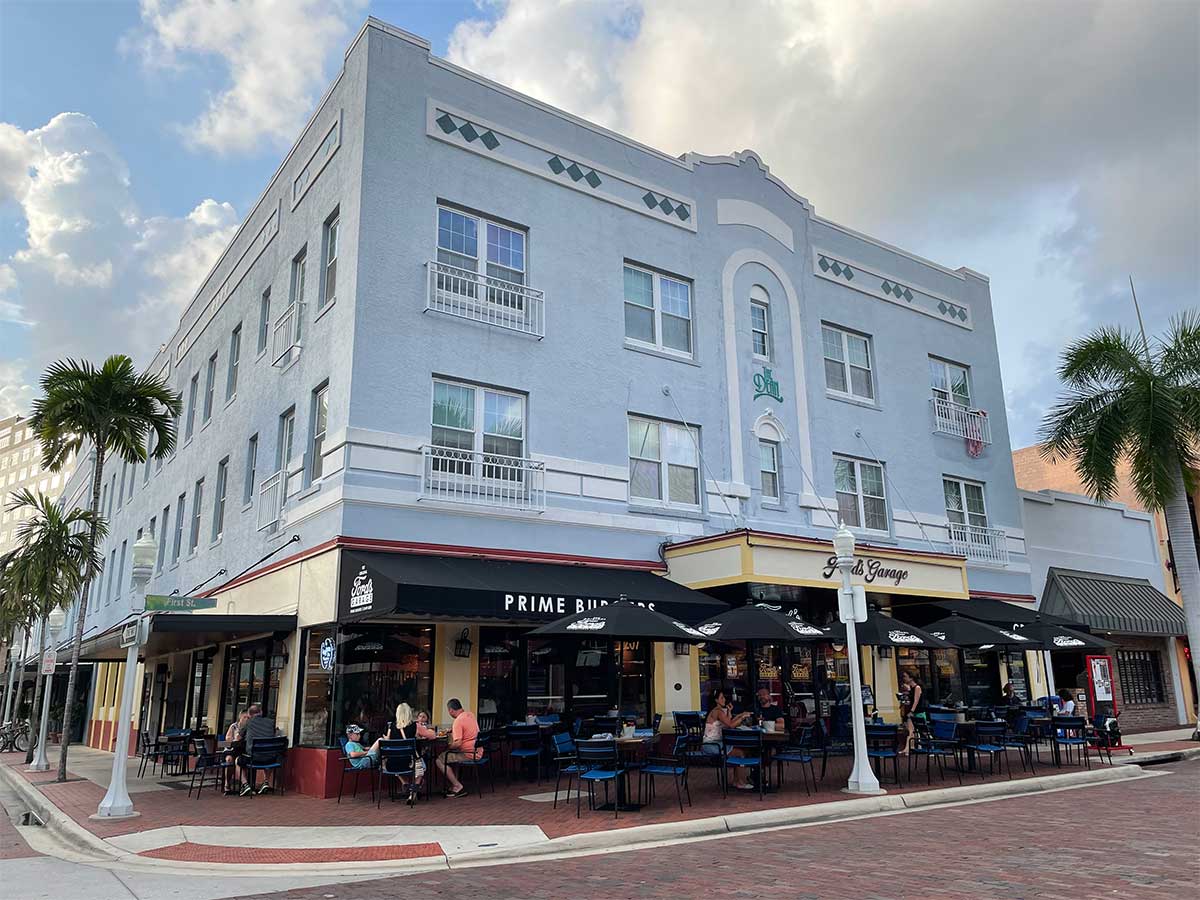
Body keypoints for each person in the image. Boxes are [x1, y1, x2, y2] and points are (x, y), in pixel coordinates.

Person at [704, 689, 754, 790]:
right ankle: (740, 782)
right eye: (722, 698)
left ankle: (737, 781)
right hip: (713, 745)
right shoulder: (717, 711)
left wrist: (737, 714)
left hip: (717, 743)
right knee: (740, 753)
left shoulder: (718, 711)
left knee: (740, 751)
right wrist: (742, 717)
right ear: (716, 700)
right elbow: (731, 725)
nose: (724, 699)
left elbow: (728, 721)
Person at [435, 698, 480, 798]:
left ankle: (457, 785)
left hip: (468, 753)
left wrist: (449, 746)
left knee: (440, 759)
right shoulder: (470, 715)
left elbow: (458, 743)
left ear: (451, 710)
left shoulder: (458, 721)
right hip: (477, 750)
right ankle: (455, 784)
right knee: (453, 756)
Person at [237, 703, 280, 796]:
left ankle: (245, 785)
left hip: (253, 758)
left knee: (238, 761)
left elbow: (238, 738)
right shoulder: (271, 722)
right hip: (270, 759)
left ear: (249, 714)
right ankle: (266, 782)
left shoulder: (248, 722)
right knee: (267, 753)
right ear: (261, 712)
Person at [388, 703, 427, 804]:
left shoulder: (391, 726)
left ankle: (405, 783)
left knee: (397, 759)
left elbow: (387, 741)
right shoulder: (415, 726)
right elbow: (431, 736)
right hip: (410, 762)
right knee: (421, 767)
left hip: (393, 764)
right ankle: (413, 792)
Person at [899, 670, 924, 755]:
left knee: (915, 730)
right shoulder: (910, 688)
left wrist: (912, 711)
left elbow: (916, 701)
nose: (904, 678)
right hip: (911, 711)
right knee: (911, 730)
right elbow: (909, 700)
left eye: (905, 676)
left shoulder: (917, 687)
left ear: (911, 678)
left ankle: (908, 749)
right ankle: (909, 748)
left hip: (917, 712)